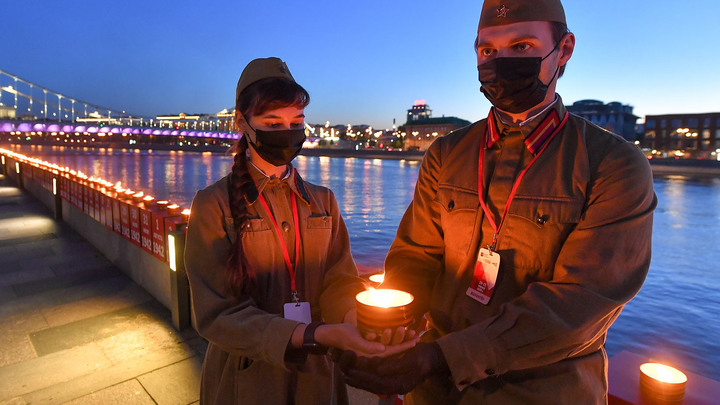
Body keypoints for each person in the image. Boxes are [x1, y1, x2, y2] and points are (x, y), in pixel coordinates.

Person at [340, 1, 657, 404]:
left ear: (564, 50)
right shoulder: (446, 153)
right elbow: (415, 256)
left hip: (543, 392)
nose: (501, 61)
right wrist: (388, 327)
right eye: (488, 50)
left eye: (522, 46)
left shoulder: (613, 164)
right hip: (435, 393)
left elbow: (580, 305)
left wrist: (440, 356)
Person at [184, 57, 416, 405]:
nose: (288, 133)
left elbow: (340, 280)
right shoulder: (212, 205)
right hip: (246, 379)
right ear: (242, 123)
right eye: (273, 122)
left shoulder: (324, 201)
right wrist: (311, 334)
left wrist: (354, 319)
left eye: (297, 121)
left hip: (319, 377)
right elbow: (217, 315)